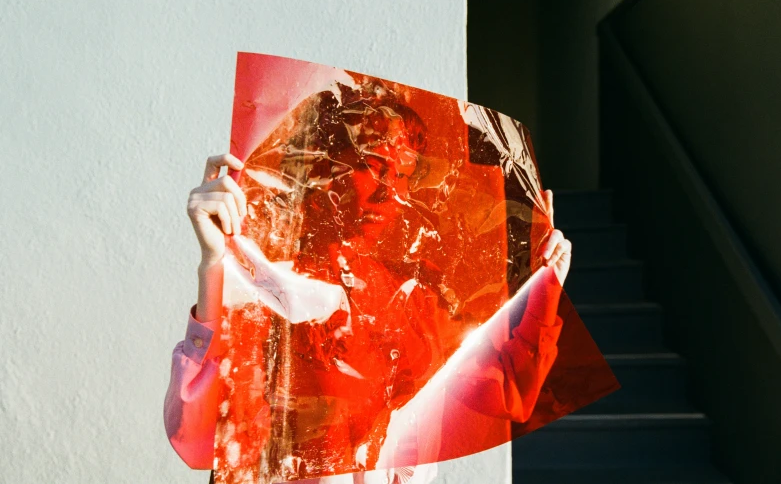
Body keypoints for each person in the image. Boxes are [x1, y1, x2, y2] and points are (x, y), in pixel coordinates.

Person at [165, 87, 573, 483]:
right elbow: (199, 443)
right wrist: (215, 267)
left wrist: (544, 281)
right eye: (373, 167)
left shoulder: (409, 299)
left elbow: (509, 393)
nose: (389, 193)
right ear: (324, 168)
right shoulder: (270, 285)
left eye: (404, 175)